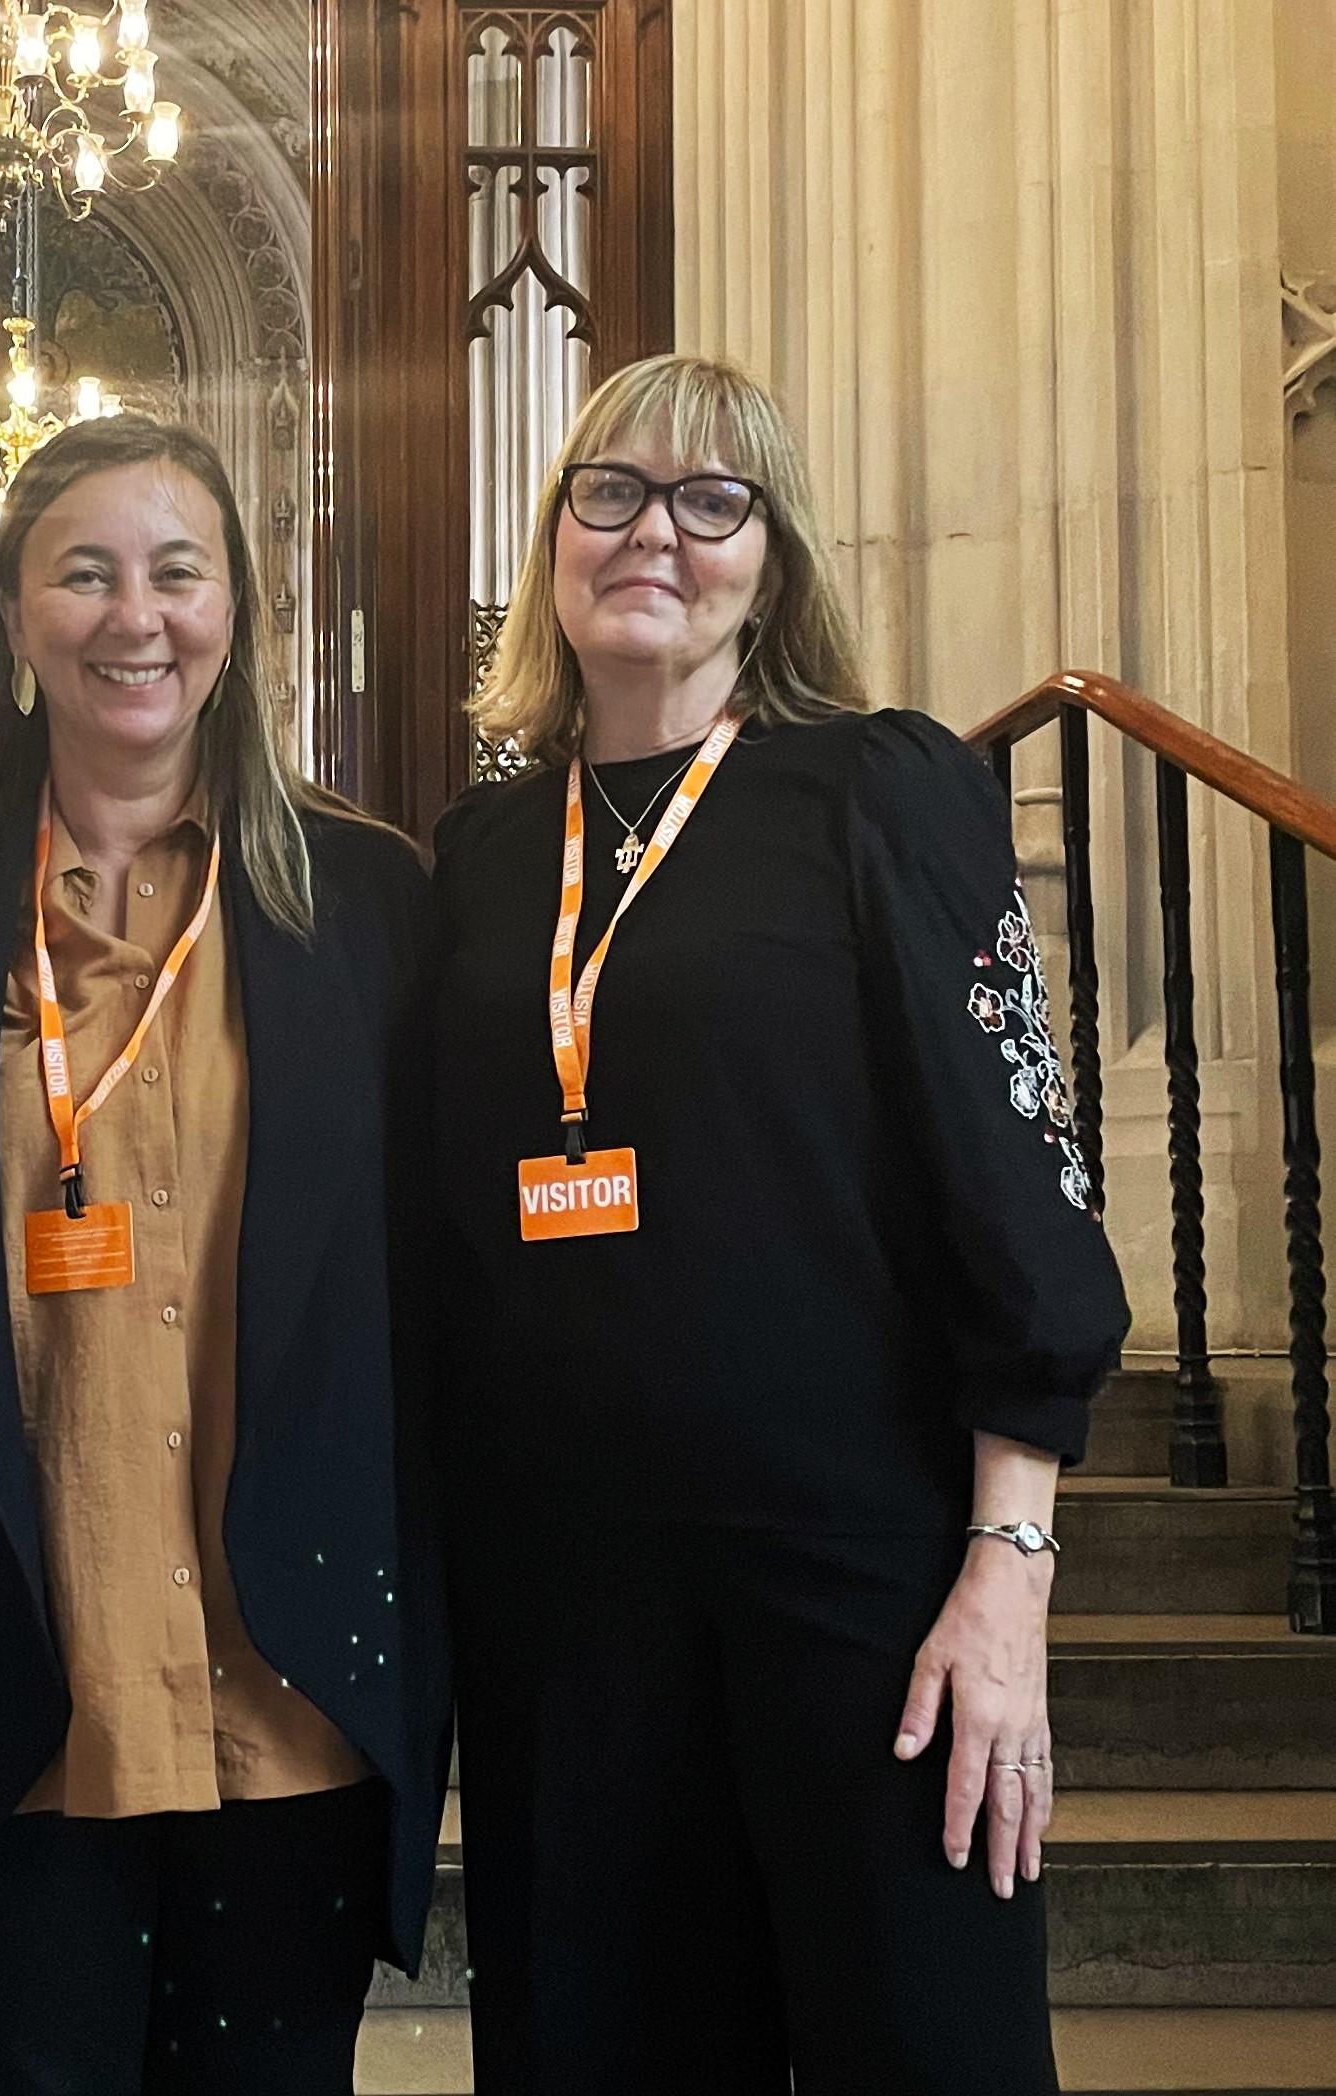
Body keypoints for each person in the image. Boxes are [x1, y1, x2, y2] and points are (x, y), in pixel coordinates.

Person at [430, 353, 1130, 2093]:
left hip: (862, 1584)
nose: (655, 533)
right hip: (568, 1602)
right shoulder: (482, 855)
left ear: (775, 557)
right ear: (553, 539)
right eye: (612, 493)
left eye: (710, 501)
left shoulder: (877, 793)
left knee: (921, 2049)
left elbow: (1022, 1172)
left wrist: (1009, 1572)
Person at [0, 414, 451, 2092]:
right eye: (82, 574)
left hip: (294, 1698)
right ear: (14, 621)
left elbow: (439, 1298)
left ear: (238, 612)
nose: (135, 617)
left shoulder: (372, 910)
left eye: (178, 573)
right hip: (11, 1706)